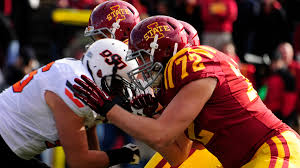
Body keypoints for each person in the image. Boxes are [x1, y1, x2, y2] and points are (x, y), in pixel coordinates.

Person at [73, 16, 300, 168]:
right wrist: (149, 115)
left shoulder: (188, 62)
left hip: (272, 150)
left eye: (142, 57)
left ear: (162, 52)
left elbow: (160, 134)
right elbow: (178, 155)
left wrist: (108, 109)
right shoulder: (172, 87)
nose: (139, 67)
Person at [0, 38, 140, 167]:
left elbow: (88, 130)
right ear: (100, 72)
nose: (120, 91)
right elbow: (79, 161)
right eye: (118, 85)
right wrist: (124, 154)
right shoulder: (77, 89)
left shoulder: (77, 73)